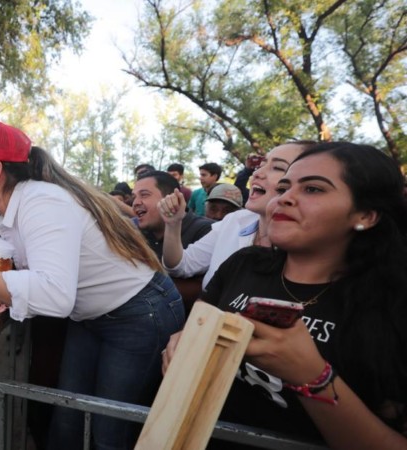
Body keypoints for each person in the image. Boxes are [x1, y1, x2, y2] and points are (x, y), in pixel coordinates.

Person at [0, 120, 185, 450]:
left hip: (138, 313)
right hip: (91, 317)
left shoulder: (42, 202)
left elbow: (53, 294)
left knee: (109, 435)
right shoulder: (13, 208)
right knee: (66, 424)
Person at [164, 142, 407, 448]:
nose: (284, 198)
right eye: (283, 186)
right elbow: (199, 319)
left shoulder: (392, 308)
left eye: (313, 190)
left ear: (366, 215)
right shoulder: (245, 264)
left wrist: (312, 376)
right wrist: (183, 339)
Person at [160, 142, 315, 290]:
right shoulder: (233, 221)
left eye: (277, 168)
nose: (257, 173)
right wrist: (173, 224)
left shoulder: (313, 247)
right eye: (261, 165)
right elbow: (181, 265)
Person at [132, 170, 213, 259]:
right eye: (134, 197)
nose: (135, 203)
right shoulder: (133, 232)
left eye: (144, 195)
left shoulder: (206, 232)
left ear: (173, 198)